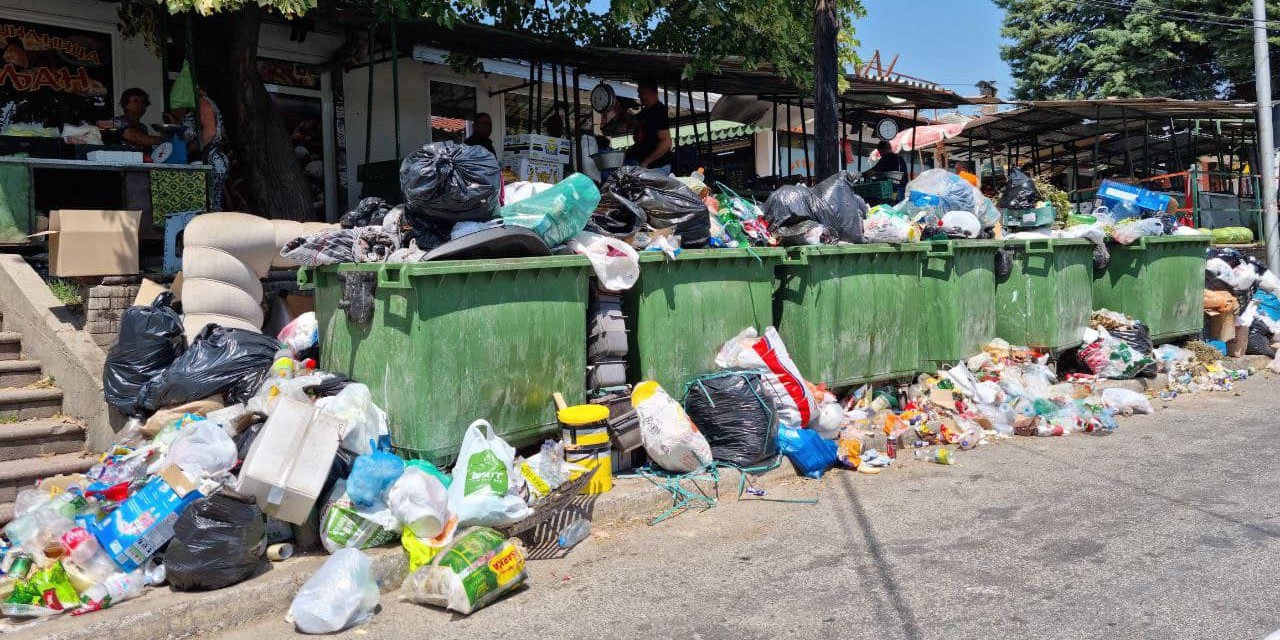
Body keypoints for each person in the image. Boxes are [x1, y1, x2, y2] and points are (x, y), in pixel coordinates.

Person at [176, 89, 229, 211]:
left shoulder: (202, 102)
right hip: (210, 158)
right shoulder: (197, 104)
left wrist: (190, 150)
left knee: (208, 206)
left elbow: (209, 132)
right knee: (209, 205)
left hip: (208, 159)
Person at [625, 80, 673, 174]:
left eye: (641, 93)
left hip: (656, 167)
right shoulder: (645, 112)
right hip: (644, 165)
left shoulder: (659, 111)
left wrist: (645, 162)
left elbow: (666, 143)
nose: (639, 96)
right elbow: (634, 123)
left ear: (652, 93)